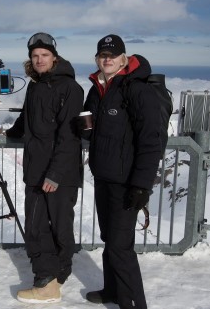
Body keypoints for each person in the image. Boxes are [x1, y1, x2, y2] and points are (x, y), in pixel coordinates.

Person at [82, 34, 162, 309]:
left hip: (126, 182)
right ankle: (112, 291)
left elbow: (152, 140)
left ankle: (134, 303)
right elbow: (94, 126)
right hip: (104, 176)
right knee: (109, 240)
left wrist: (142, 185)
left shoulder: (136, 89)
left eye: (112, 55)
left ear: (123, 59)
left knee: (120, 246)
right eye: (103, 55)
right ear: (97, 59)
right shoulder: (98, 88)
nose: (107, 59)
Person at [6, 32, 84, 303]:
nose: (39, 60)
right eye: (35, 56)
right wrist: (5, 135)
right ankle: (52, 275)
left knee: (59, 227)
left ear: (55, 57)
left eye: (44, 55)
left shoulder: (70, 89)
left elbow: (69, 136)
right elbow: (27, 121)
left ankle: (49, 284)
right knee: (37, 225)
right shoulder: (36, 86)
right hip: (36, 171)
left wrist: (55, 174)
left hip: (57, 174)